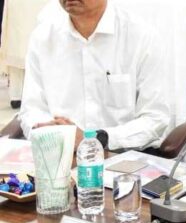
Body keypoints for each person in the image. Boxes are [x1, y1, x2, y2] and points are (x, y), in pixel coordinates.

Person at [18, 0, 170, 151]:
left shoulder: (141, 36)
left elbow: (155, 118)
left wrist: (95, 139)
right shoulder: (42, 38)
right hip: (59, 154)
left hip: (122, 156)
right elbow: (31, 110)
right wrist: (52, 134)